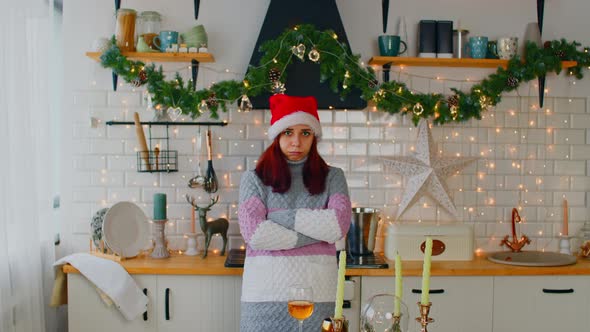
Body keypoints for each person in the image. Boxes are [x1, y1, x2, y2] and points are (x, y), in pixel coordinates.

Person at [238, 94, 352, 331]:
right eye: (288, 132)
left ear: (314, 137)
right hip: (263, 299)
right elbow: (255, 233)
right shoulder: (253, 179)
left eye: (305, 133)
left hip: (317, 297)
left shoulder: (334, 177)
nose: (296, 142)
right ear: (277, 135)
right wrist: (319, 235)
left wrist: (279, 217)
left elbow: (338, 225)